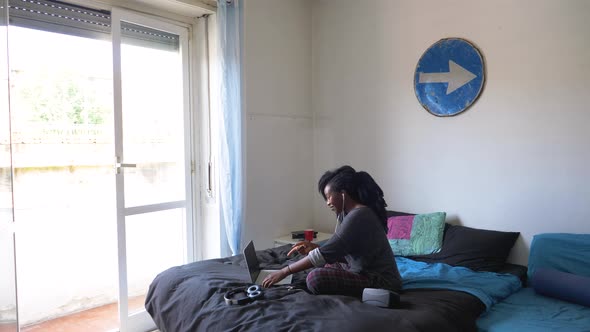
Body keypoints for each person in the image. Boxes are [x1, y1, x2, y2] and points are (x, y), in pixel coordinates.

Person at [262, 165, 402, 297]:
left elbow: (327, 252)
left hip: (381, 282)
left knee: (315, 277)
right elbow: (343, 251)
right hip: (360, 269)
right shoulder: (354, 213)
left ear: (343, 194)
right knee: (319, 263)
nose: (328, 203)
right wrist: (316, 248)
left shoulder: (359, 215)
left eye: (329, 197)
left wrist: (284, 271)